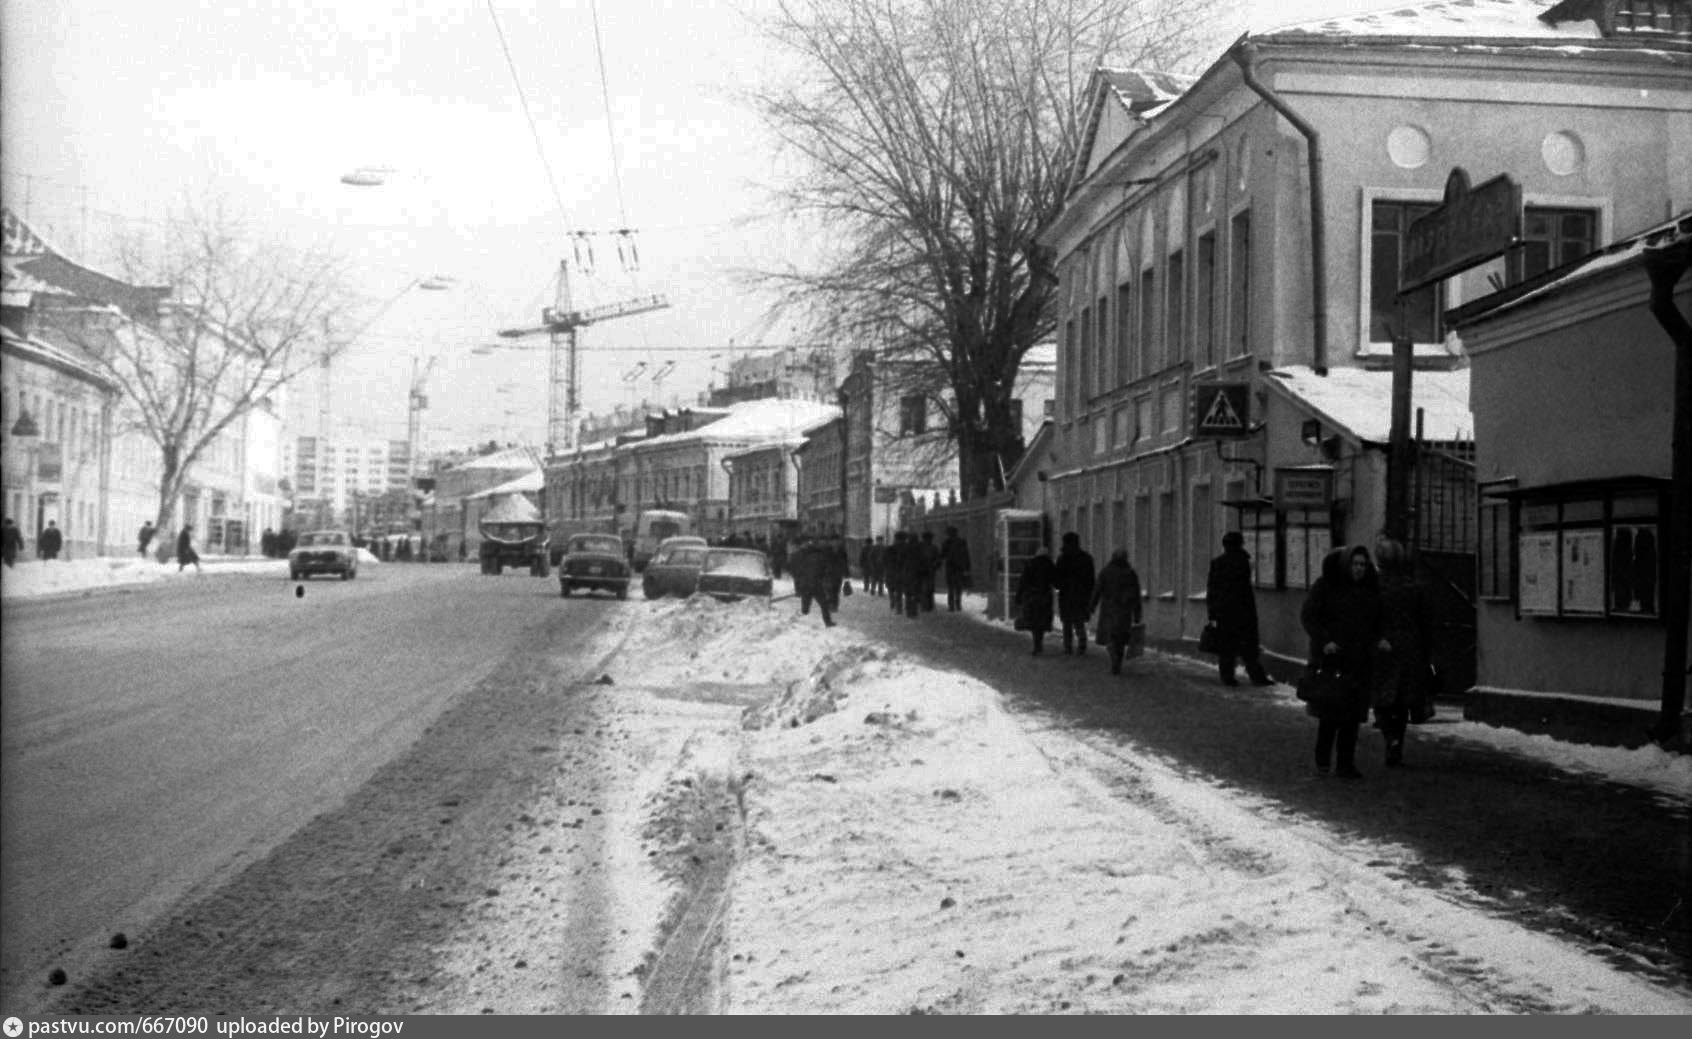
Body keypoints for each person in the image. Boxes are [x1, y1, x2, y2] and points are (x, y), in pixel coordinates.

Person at [1300, 545, 1384, 779]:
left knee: (1353, 716)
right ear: (1346, 565)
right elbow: (1309, 617)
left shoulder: (1370, 592)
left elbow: (1377, 622)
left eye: (1362, 565)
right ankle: (1323, 759)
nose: (1359, 569)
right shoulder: (1327, 587)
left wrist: (1378, 640)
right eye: (1355, 564)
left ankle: (1346, 763)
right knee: (1330, 713)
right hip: (1333, 660)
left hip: (1359, 661)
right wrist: (1324, 641)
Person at [1372, 536, 1435, 767]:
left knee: (1382, 698)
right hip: (1410, 648)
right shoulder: (1414, 587)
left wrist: (1377, 639)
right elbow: (1426, 623)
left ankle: (1390, 737)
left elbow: (1369, 618)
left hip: (1384, 649)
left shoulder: (1375, 587)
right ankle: (1396, 738)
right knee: (1400, 700)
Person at [1206, 531, 1275, 687]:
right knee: (1249, 647)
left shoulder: (1217, 563)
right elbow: (1244, 589)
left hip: (1224, 612)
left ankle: (1227, 677)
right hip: (1243, 611)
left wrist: (1212, 615)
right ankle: (1257, 677)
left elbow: (1212, 591)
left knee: (1226, 649)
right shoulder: (1243, 561)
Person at [1090, 549, 1143, 675]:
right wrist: (1137, 613)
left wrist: (1091, 606)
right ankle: (1117, 660)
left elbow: (1097, 590)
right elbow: (1136, 595)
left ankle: (1114, 657)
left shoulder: (1106, 572)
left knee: (1111, 637)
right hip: (1124, 611)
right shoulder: (1130, 573)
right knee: (1121, 637)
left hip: (1109, 610)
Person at [1053, 531, 1096, 655]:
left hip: (1066, 595)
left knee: (1067, 623)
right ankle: (1082, 644)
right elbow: (1091, 580)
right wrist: (1089, 594)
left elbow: (1057, 579)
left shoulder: (1062, 559)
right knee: (1079, 621)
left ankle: (1068, 646)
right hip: (1081, 595)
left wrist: (1059, 585)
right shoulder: (1086, 559)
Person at [1015, 545, 1057, 655]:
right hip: (1045, 597)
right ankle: (1039, 642)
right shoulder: (1050, 565)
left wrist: (1018, 597)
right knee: (1041, 621)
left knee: (1033, 621)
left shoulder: (1030, 564)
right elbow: (1055, 581)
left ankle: (1036, 644)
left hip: (1031, 597)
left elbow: (1023, 581)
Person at [940, 526, 972, 612]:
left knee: (950, 588)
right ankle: (958, 604)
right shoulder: (962, 542)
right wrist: (967, 567)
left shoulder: (946, 542)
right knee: (959, 587)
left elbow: (942, 555)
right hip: (960, 568)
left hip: (950, 567)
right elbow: (966, 554)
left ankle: (951, 606)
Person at [916, 530, 940, 612]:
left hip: (923, 570)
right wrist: (935, 566)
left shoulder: (919, 547)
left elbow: (938, 560)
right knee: (928, 588)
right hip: (928, 571)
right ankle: (928, 605)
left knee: (925, 588)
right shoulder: (933, 548)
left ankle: (925, 605)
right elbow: (938, 560)